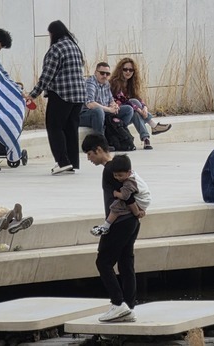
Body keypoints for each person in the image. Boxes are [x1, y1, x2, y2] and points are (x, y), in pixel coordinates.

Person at [82, 133, 143, 324]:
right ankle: (129, 306)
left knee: (103, 262)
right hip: (130, 222)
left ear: (99, 150)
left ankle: (118, 304)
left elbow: (127, 194)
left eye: (90, 154)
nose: (89, 159)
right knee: (126, 262)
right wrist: (137, 214)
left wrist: (136, 210)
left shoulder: (111, 170)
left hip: (120, 222)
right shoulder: (119, 166)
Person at [25, 20, 87, 174]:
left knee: (54, 127)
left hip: (61, 94)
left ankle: (62, 161)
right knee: (71, 129)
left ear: (53, 33)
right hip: (79, 96)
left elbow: (47, 76)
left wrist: (33, 95)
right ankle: (72, 163)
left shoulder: (56, 49)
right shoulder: (75, 47)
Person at [107, 57, 171, 148]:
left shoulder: (130, 83)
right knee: (133, 103)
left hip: (129, 112)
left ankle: (146, 139)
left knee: (135, 113)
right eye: (125, 69)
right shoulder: (115, 82)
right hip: (116, 112)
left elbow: (138, 98)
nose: (128, 72)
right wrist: (141, 110)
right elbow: (124, 100)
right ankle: (153, 125)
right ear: (120, 70)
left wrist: (144, 107)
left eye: (131, 70)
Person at [91, 153, 150, 238]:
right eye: (115, 175)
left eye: (120, 175)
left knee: (116, 207)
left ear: (129, 172)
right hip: (142, 201)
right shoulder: (129, 176)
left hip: (142, 200)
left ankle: (106, 226)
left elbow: (126, 196)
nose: (118, 178)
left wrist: (116, 193)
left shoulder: (129, 182)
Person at [81, 62, 137, 145]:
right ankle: (101, 143)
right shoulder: (90, 83)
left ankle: (116, 135)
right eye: (102, 73)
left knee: (128, 110)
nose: (105, 76)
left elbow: (111, 100)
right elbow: (90, 104)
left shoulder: (106, 83)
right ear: (96, 72)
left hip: (104, 112)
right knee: (98, 111)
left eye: (107, 74)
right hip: (87, 115)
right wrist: (109, 109)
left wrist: (114, 105)